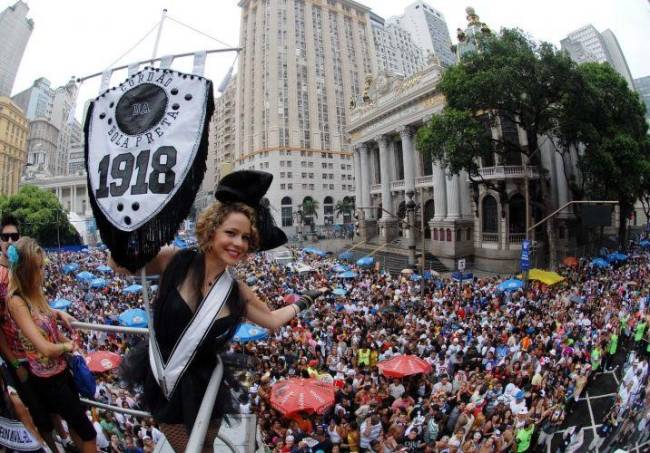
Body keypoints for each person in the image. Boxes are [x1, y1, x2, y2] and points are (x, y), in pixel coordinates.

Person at [116, 170, 326, 452]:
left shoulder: (237, 291)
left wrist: (303, 302)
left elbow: (273, 320)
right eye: (231, 233)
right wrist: (120, 227)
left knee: (206, 447)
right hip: (165, 380)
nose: (238, 243)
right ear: (211, 230)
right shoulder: (174, 260)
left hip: (205, 387)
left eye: (245, 238)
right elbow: (120, 264)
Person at [7, 237, 97, 452]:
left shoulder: (35, 292)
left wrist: (58, 313)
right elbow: (44, 347)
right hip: (49, 382)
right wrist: (69, 347)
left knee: (77, 429)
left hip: (62, 373)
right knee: (89, 434)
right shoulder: (16, 301)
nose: (42, 272)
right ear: (25, 270)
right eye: (37, 268)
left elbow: (43, 317)